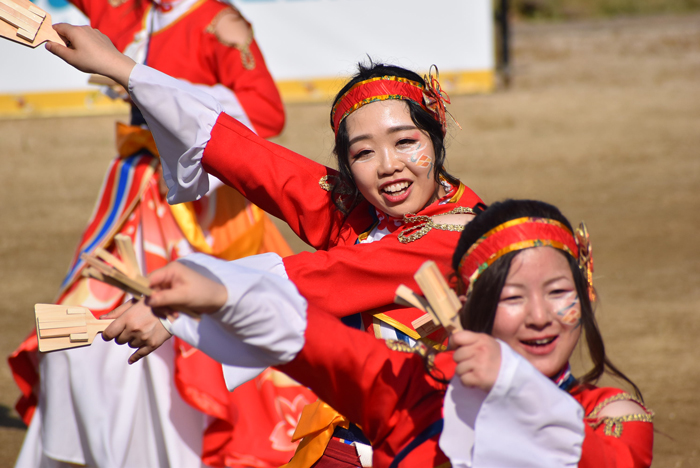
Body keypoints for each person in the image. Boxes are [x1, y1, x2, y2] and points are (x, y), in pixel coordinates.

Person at [39, 23, 486, 465]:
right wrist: (118, 66)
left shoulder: (464, 237)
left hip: (431, 450)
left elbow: (325, 278)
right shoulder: (363, 208)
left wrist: (176, 308)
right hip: (347, 443)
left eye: (406, 142)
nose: (388, 166)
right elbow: (245, 153)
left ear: (437, 137)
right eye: (363, 152)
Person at [138, 198, 653, 467]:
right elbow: (312, 338)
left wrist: (514, 386)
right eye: (513, 298)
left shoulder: (611, 415)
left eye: (560, 293)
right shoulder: (414, 391)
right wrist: (224, 294)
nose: (540, 316)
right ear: (469, 308)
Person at [8, 3, 299, 466]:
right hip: (134, 193)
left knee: (183, 335)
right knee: (86, 332)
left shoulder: (217, 22)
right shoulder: (131, 9)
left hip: (197, 202)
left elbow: (266, 113)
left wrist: (161, 94)